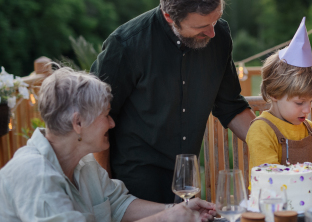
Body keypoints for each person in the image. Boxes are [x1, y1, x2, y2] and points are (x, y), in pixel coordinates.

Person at [90, 0, 255, 203]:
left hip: (187, 182)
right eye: (202, 26)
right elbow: (96, 117)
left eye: (215, 20)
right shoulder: (126, 45)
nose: (212, 32)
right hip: (134, 186)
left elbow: (231, 106)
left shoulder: (219, 35)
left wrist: (279, 148)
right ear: (169, 17)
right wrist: (104, 191)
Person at [0, 67, 218, 222]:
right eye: (106, 115)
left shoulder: (84, 165)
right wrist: (166, 218)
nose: (112, 123)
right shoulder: (35, 174)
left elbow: (118, 205)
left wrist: (179, 209)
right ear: (78, 122)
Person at [246, 18, 312, 194]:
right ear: (274, 94)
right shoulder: (261, 130)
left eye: (311, 101)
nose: (307, 110)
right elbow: (270, 177)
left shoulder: (311, 130)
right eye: (300, 102)